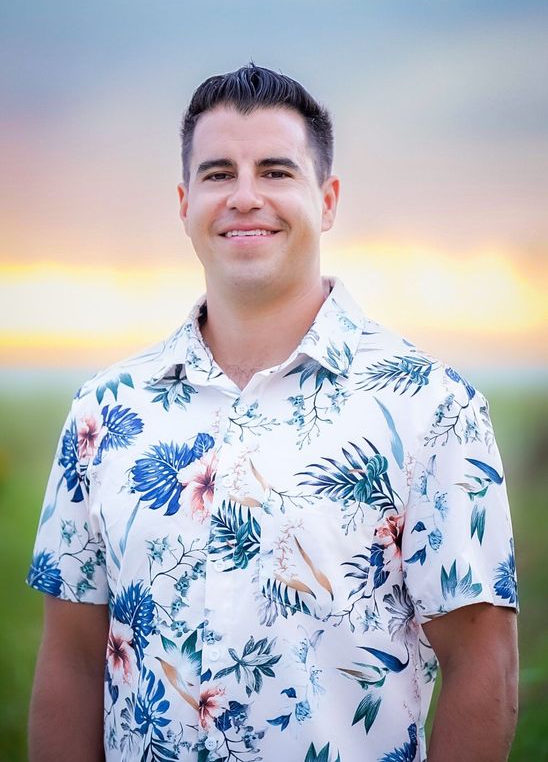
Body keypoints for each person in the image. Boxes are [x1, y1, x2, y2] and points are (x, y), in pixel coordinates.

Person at [28, 64, 518, 762]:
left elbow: (484, 665)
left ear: (327, 200)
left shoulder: (431, 407)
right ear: (184, 201)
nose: (246, 196)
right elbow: (71, 661)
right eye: (219, 172)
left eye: (277, 171)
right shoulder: (104, 412)